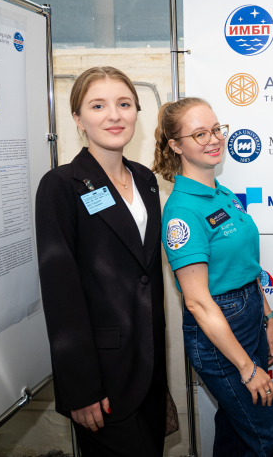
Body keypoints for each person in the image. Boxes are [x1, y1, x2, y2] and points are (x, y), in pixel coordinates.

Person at [153, 97, 273, 457]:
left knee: (236, 435)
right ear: (176, 145)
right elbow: (198, 303)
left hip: (249, 315)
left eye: (216, 129)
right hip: (218, 332)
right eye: (199, 134)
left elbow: (246, 267)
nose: (214, 139)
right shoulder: (182, 212)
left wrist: (266, 316)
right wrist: (247, 369)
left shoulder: (220, 193)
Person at [35, 66, 168, 456]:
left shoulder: (145, 180)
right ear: (78, 119)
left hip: (149, 364)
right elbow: (60, 292)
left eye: (124, 104)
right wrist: (80, 388)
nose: (114, 115)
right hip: (101, 377)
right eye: (98, 106)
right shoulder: (61, 185)